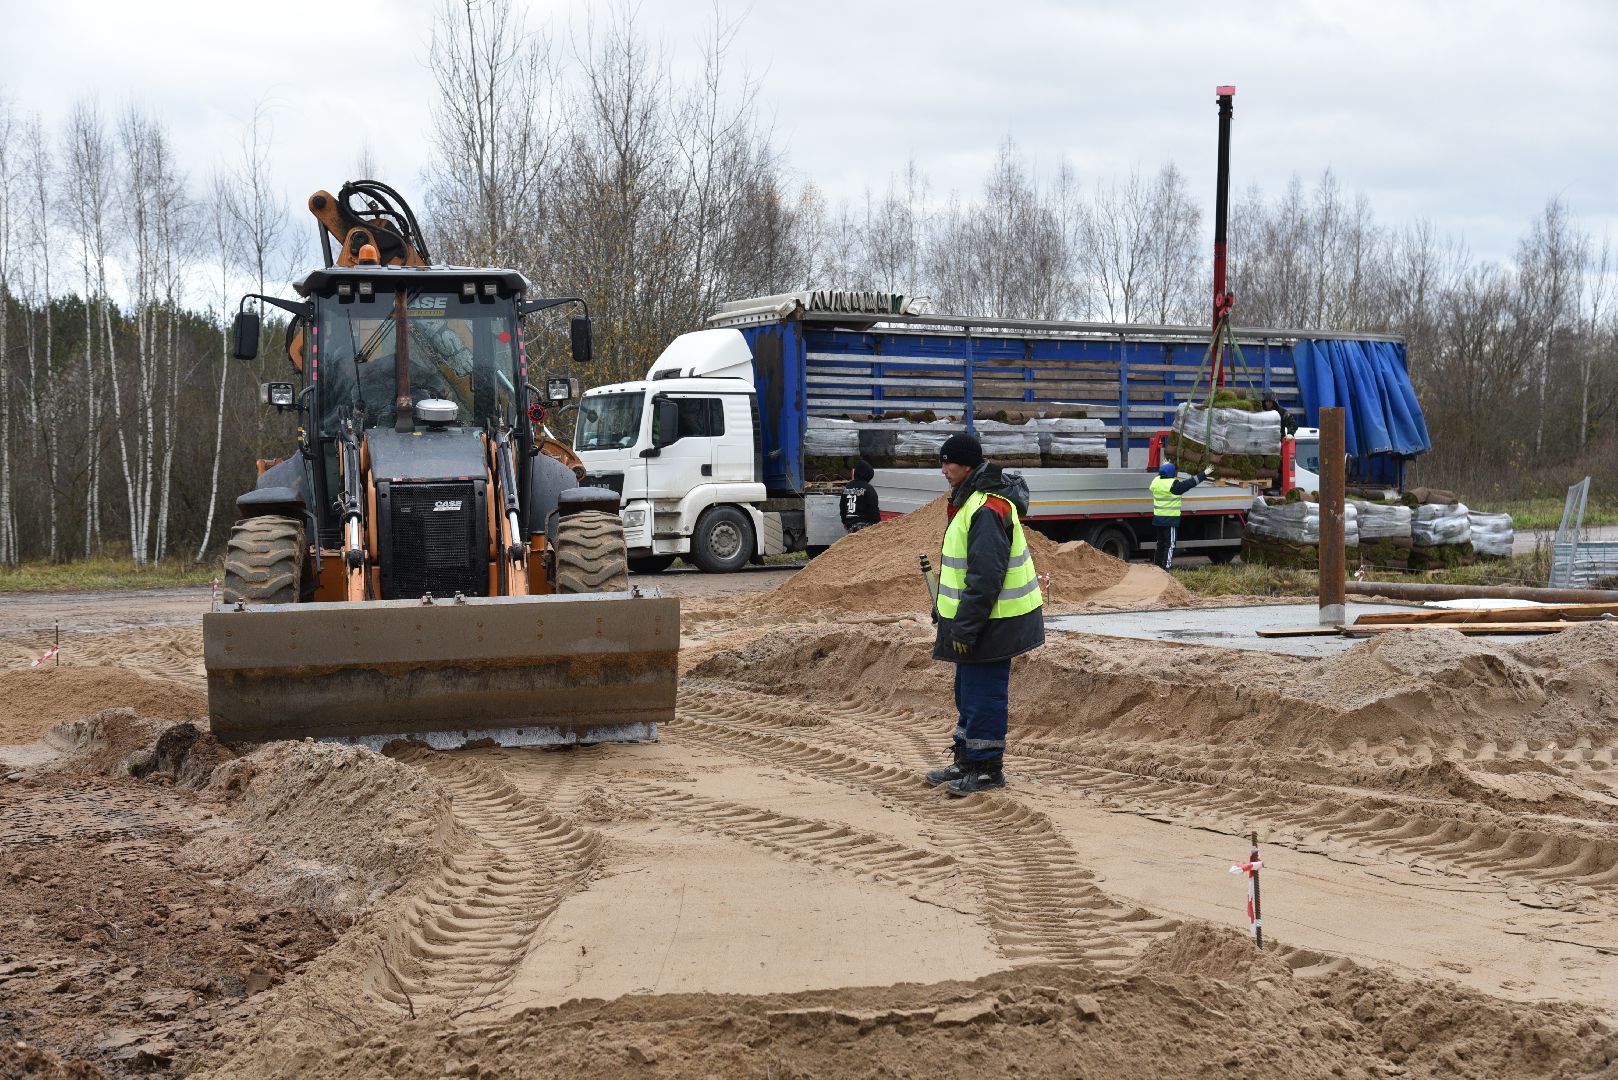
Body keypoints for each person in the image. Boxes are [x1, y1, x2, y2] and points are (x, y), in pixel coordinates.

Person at [923, 432, 1045, 797]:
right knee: (968, 692)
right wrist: (946, 612)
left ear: (968, 465)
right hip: (982, 620)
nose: (944, 469)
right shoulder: (972, 501)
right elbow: (965, 574)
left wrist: (965, 626)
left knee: (984, 694)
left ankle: (988, 768)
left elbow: (985, 577)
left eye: (950, 462)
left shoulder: (987, 508)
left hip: (995, 622)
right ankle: (966, 760)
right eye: (941, 462)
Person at [1149, 462, 1214, 570]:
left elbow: (1160, 476)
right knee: (1170, 545)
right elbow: (1190, 483)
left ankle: (1158, 567)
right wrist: (1204, 473)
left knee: (1160, 544)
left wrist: (1165, 466)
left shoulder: (1156, 482)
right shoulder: (1174, 486)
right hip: (1169, 520)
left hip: (1158, 519)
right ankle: (1166, 568)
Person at [840, 460, 881, 532]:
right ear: (868, 474)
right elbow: (873, 508)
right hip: (865, 526)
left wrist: (844, 522)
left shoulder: (847, 487)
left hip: (850, 526)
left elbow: (842, 507)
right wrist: (878, 523)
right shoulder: (868, 488)